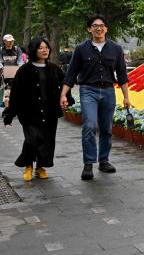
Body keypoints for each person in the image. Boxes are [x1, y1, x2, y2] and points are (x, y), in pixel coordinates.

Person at [60, 15, 131, 181]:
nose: (98, 28)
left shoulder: (116, 49)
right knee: (89, 125)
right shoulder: (81, 49)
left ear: (106, 29)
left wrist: (126, 97)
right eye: (94, 25)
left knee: (106, 128)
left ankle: (104, 161)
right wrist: (63, 93)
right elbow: (71, 74)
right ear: (89, 29)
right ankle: (89, 163)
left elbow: (122, 74)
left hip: (108, 91)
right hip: (88, 91)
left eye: (101, 25)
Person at [2, 38, 70, 181]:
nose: (45, 50)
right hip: (29, 112)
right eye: (41, 48)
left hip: (50, 111)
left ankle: (40, 167)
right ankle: (28, 166)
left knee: (47, 140)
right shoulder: (24, 70)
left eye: (46, 47)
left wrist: (66, 98)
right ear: (34, 50)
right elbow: (16, 93)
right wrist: (10, 113)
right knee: (33, 139)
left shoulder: (54, 68)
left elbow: (65, 84)